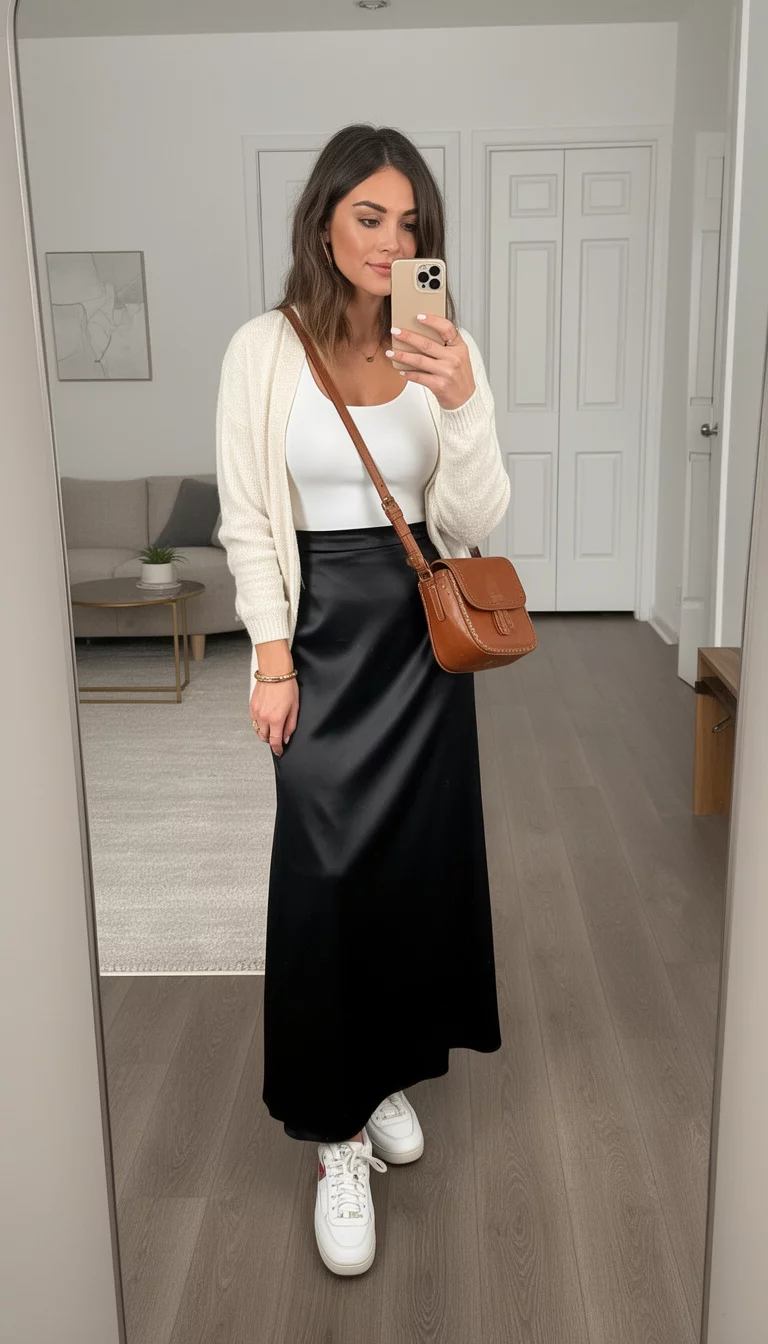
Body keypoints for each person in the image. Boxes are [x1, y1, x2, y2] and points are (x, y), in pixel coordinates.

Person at [215, 123, 509, 1277]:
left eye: (411, 223)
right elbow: (248, 517)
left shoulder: (443, 345)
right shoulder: (263, 348)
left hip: (421, 641)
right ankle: (336, 1139)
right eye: (370, 217)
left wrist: (468, 399)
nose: (393, 242)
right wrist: (271, 658)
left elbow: (475, 525)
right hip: (322, 638)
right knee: (325, 879)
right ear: (326, 223)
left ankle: (381, 1073)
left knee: (409, 874)